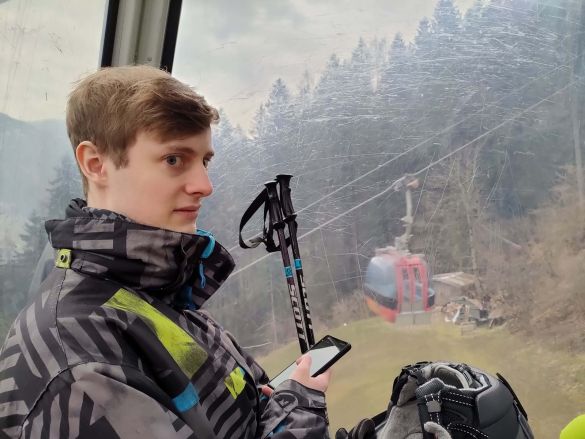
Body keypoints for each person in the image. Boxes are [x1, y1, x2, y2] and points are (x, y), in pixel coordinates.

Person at [0, 65, 331, 438]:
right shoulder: (77, 368)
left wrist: (285, 406)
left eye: (204, 161)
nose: (204, 185)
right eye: (174, 160)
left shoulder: (154, 292)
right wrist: (302, 409)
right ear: (96, 164)